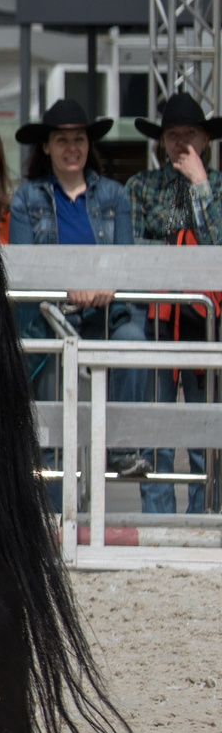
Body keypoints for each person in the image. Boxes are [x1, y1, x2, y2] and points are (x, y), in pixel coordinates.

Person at [8, 97, 150, 497]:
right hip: (52, 319)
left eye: (79, 139)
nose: (72, 148)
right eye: (62, 139)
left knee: (133, 341)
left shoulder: (114, 196)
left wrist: (108, 286)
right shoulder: (26, 198)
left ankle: (121, 449)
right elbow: (26, 270)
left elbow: (126, 261)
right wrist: (68, 286)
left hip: (107, 315)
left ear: (89, 145)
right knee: (53, 407)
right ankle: (53, 510)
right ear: (46, 147)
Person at [128, 91, 222, 516]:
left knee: (206, 432)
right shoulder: (142, 186)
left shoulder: (218, 186)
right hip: (157, 319)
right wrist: (180, 250)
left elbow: (217, 246)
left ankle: (207, 518)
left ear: (205, 139)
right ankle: (156, 522)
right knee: (156, 430)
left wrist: (201, 186)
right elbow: (132, 250)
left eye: (190, 134)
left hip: (208, 323)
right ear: (161, 141)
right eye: (172, 135)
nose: (181, 143)